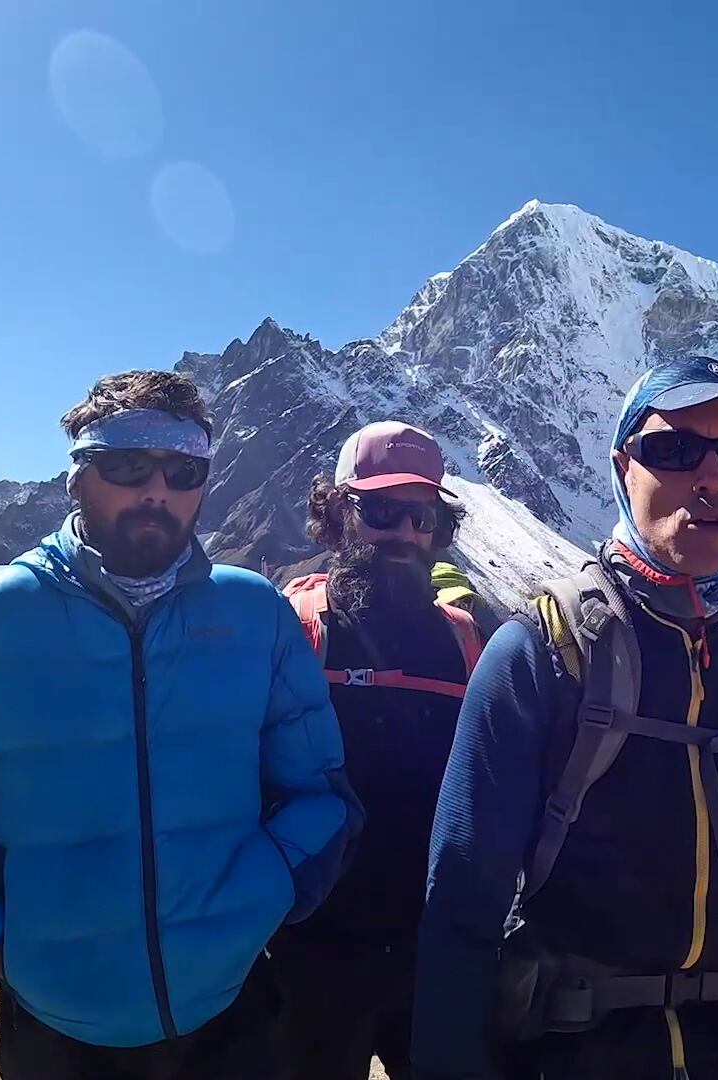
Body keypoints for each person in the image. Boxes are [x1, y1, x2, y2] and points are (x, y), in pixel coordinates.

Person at [412, 357, 718, 1080]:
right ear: (620, 467)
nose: (711, 477)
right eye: (673, 450)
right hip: (566, 1054)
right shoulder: (540, 653)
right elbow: (461, 904)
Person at [0, 370, 363, 1080]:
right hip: (56, 1031)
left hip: (231, 1020)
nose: (156, 490)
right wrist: (3, 949)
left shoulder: (254, 614)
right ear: (77, 476)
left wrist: (266, 896)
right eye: (125, 464)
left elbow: (320, 797)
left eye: (183, 470)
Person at [272, 423, 487, 1080]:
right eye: (380, 509)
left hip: (434, 959)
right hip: (308, 958)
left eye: (421, 515)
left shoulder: (466, 641)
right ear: (337, 512)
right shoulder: (294, 628)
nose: (403, 532)